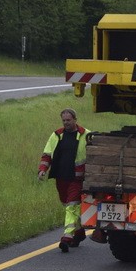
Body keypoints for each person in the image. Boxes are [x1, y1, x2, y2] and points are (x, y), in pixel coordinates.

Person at [38, 108, 90, 252]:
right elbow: (47, 154)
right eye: (64, 120)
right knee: (66, 204)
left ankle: (66, 238)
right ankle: (79, 233)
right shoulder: (57, 135)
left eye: (69, 120)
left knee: (71, 206)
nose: (66, 123)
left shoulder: (86, 135)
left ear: (75, 119)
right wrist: (43, 169)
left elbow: (95, 155)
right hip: (61, 177)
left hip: (77, 178)